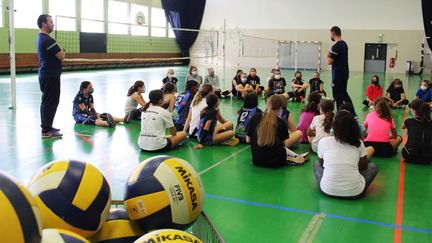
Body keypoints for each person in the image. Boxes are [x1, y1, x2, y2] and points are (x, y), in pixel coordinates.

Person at [314, 110, 378, 199]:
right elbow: (364, 167)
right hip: (355, 192)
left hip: (327, 190)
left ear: (334, 126)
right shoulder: (358, 143)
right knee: (373, 167)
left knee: (316, 163)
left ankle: (330, 181)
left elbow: (322, 164)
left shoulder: (324, 141)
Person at [246, 95, 310, 167]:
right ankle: (294, 156)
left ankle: (295, 157)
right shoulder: (281, 123)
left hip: (257, 160)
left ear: (268, 104)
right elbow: (284, 144)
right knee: (296, 135)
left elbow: (248, 140)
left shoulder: (255, 117)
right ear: (280, 108)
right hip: (277, 162)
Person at [37, 14, 65, 138]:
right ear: (43, 23)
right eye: (51, 22)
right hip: (50, 75)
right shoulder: (47, 39)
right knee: (51, 102)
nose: (53, 24)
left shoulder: (41, 38)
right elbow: (61, 56)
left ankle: (46, 127)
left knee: (47, 102)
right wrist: (62, 52)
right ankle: (46, 131)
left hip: (46, 74)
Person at [326, 26, 353, 109]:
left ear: (333, 33)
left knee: (338, 96)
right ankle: (350, 113)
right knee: (343, 94)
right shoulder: (344, 44)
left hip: (337, 75)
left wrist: (326, 56)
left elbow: (329, 61)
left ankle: (341, 113)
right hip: (344, 74)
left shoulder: (336, 46)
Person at [402, 99, 432, 164]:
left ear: (414, 111)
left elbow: (403, 127)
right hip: (428, 159)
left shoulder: (409, 121)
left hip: (409, 156)